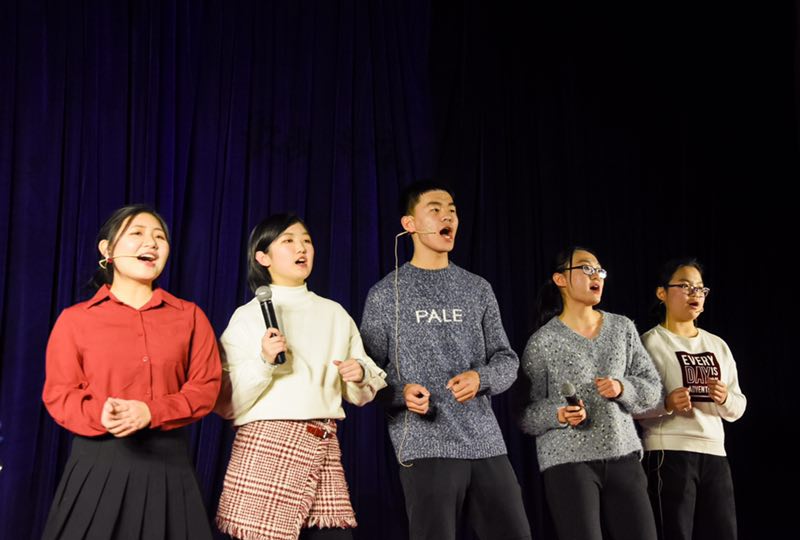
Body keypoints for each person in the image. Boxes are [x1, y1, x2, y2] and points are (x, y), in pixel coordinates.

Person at [359, 181, 531, 540]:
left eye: (452, 210)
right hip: (424, 446)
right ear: (409, 224)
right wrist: (400, 392)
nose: (447, 216)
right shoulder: (384, 294)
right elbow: (368, 375)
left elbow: (507, 360)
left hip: (485, 441)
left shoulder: (477, 288)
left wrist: (481, 378)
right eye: (435, 210)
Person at [42, 204, 222, 539]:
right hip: (97, 465)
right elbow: (59, 394)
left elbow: (206, 388)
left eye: (159, 237)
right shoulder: (75, 320)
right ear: (107, 249)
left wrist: (151, 411)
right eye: (136, 233)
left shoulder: (190, 317)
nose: (150, 243)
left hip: (169, 468)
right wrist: (101, 414)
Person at [215, 214, 386, 540]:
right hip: (267, 446)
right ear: (263, 257)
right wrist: (264, 361)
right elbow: (226, 400)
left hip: (322, 443)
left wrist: (359, 373)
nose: (302, 248)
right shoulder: (247, 317)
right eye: (288, 241)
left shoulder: (334, 312)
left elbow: (362, 393)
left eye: (306, 240)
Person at [520, 246, 661, 540]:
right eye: (586, 268)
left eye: (599, 270)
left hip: (623, 454)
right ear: (560, 279)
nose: (596, 275)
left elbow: (651, 390)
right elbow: (526, 415)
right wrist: (558, 414)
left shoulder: (622, 328)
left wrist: (623, 388)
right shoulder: (542, 341)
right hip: (568, 462)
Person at [637, 258, 746, 540]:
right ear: (662, 293)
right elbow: (632, 404)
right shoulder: (650, 343)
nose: (695, 294)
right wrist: (666, 404)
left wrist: (725, 398)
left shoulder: (717, 345)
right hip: (668, 452)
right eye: (685, 286)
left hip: (715, 454)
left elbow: (738, 406)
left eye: (700, 288)